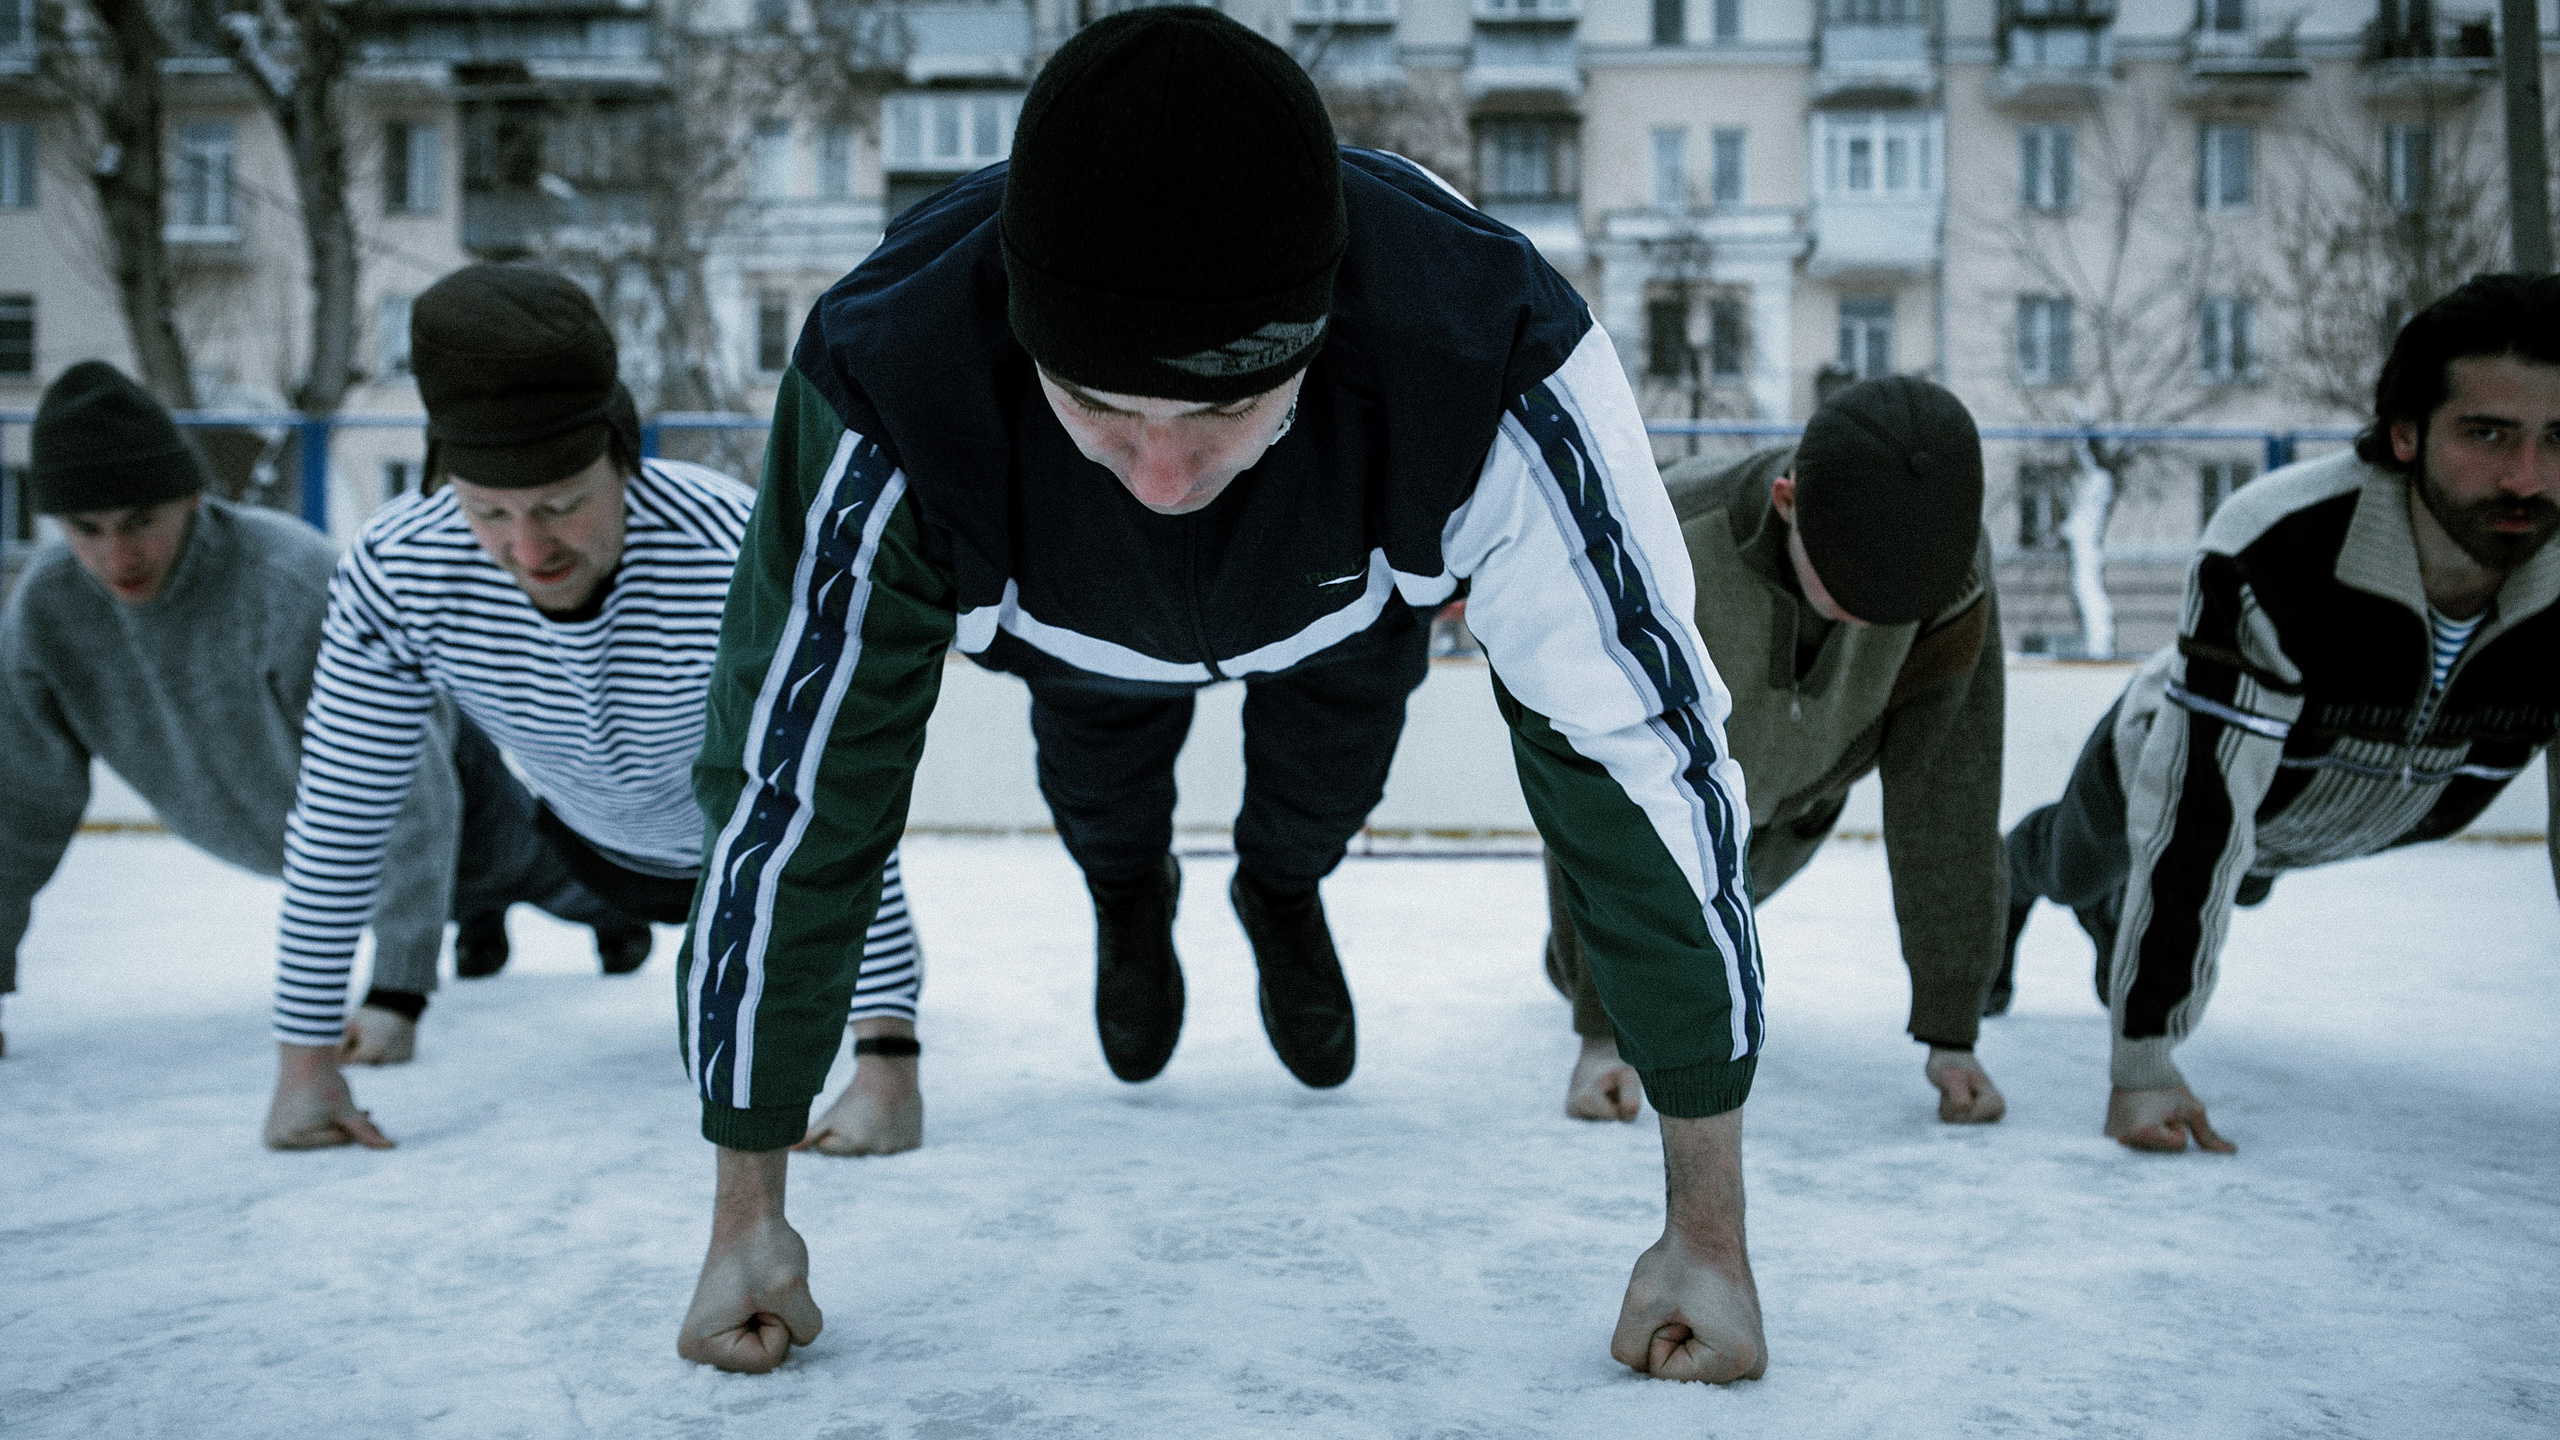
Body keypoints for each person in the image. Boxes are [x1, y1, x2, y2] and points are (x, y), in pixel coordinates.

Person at [675, 10, 1767, 1384]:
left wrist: (1708, 1230)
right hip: (1071, 631)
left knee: (1320, 796)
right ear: (1023, 347)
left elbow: (1643, 761)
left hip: (1344, 604)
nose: (1160, 477)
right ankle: (1129, 897)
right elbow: (793, 798)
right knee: (1102, 795)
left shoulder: (1483, 353)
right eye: (1100, 409)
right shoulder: (891, 376)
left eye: (1221, 413)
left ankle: (1281, 889)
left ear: (1323, 336)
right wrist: (746, 1205)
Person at [260, 265, 928, 1158]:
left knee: (803, 802)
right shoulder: (400, 569)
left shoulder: (736, 548)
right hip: (585, 843)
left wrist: (887, 1061)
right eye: (488, 512)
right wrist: (304, 1064)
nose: (528, 548)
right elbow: (343, 812)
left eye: (562, 506)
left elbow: (833, 798)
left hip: (739, 853)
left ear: (625, 459)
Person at [1998, 272, 2560, 1154]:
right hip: (2171, 760)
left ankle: (2118, 919)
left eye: (2559, 439)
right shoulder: (2281, 545)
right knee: (2080, 864)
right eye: (2487, 435)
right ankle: (2011, 877)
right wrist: (2144, 1064)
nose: (2527, 478)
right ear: (2405, 434)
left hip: (2316, 816)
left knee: (2237, 885)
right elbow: (2200, 820)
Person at [0, 361, 626, 1065]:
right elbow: (15, 809)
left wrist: (396, 993)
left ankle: (610, 917)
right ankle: (475, 915)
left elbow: (410, 792)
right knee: (432, 892)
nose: (119, 555)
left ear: (194, 498)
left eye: (142, 520)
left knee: (535, 866)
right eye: (88, 529)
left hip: (438, 773)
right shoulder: (48, 613)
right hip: (311, 836)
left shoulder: (283, 580)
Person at [1541, 377, 2008, 1127]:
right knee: (1643, 953)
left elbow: (1949, 797)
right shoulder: (1660, 538)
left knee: (1697, 948)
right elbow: (1598, 785)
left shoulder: (1949, 572)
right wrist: (1604, 1035)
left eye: (1889, 609)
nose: (1866, 617)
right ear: (1788, 500)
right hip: (1662, 800)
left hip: (1794, 809)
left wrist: (1953, 1032)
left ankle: (1595, 963)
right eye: (1846, 589)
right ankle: (1579, 971)